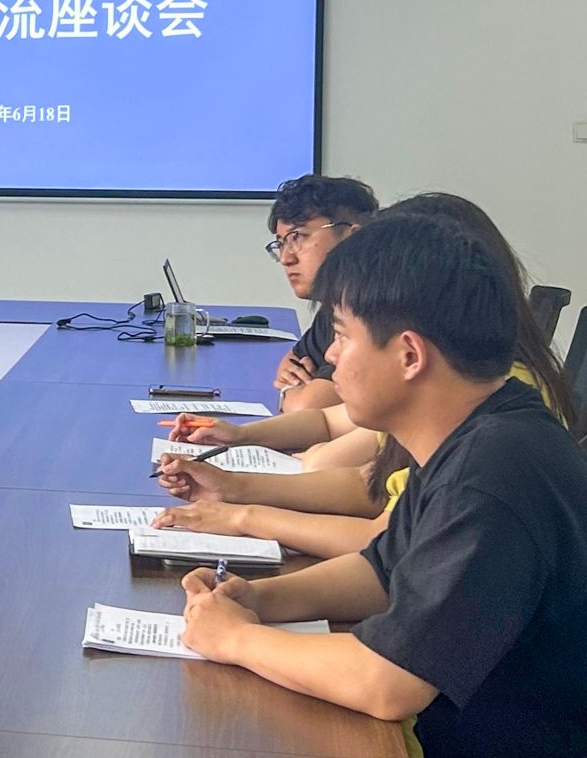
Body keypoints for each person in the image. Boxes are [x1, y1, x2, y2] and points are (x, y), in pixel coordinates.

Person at [174, 213, 587, 758]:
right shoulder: (478, 434)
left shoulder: (497, 474)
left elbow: (387, 682)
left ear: (408, 354)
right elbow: (379, 570)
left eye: (343, 334)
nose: (328, 358)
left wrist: (233, 639)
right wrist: (257, 600)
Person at [155, 192, 572, 558]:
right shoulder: (457, 394)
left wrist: (244, 516)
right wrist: (232, 485)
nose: (332, 353)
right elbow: (371, 486)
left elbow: (384, 542)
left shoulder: (479, 413)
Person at [266, 174, 378, 413]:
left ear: (351, 236)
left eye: (297, 237)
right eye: (281, 244)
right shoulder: (334, 303)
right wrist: (294, 386)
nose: (286, 258)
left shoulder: (370, 308)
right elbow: (291, 362)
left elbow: (306, 408)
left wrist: (288, 391)